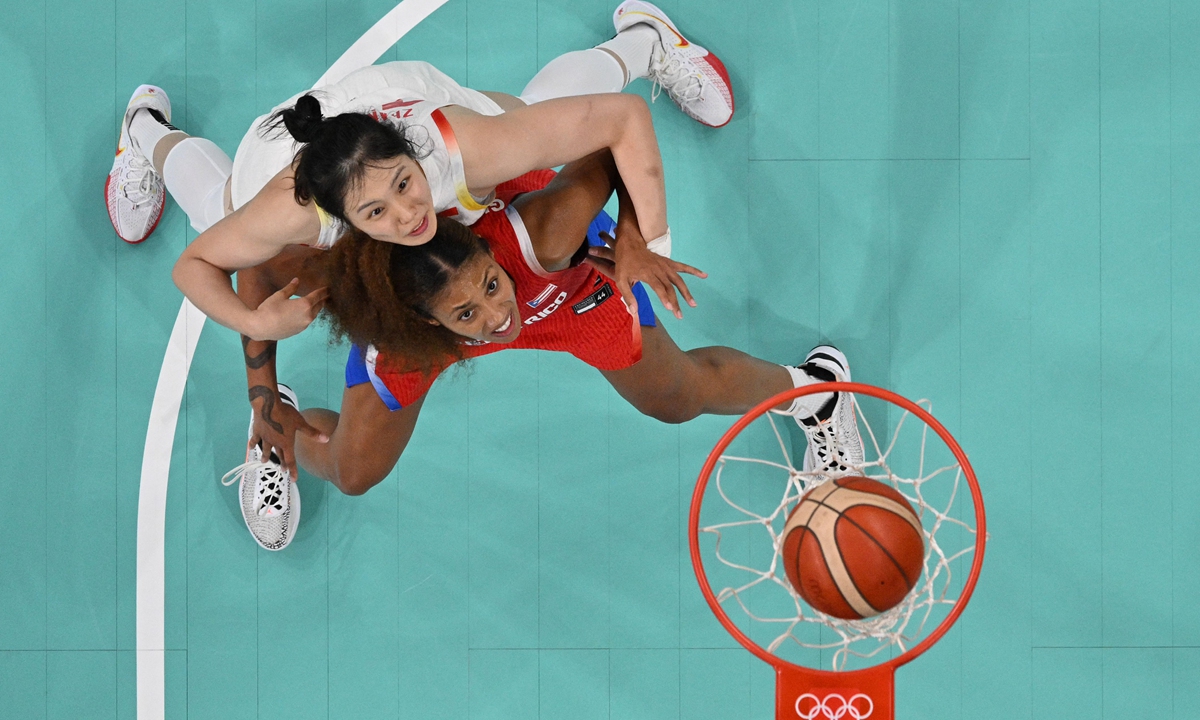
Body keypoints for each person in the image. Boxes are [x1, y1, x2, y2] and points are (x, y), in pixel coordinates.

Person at [228, 151, 863, 550]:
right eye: (471, 314)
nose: (500, 319)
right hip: (433, 331)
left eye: (489, 287)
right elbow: (252, 274)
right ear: (423, 319)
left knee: (675, 398)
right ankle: (275, 432)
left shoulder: (545, 236)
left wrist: (637, 239)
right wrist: (260, 395)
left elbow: (610, 152)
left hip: (564, 289)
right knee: (351, 472)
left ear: (490, 257)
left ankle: (818, 393)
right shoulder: (399, 333)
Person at [105, 0, 735, 341]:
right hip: (284, 147)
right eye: (374, 214)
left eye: (403, 187)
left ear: (411, 154)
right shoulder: (291, 208)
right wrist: (254, 319)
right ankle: (146, 134)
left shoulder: (458, 146)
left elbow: (623, 120)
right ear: (339, 219)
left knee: (532, 119)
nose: (409, 217)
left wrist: (648, 243)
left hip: (407, 95)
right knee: (218, 208)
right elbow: (194, 264)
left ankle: (646, 40)